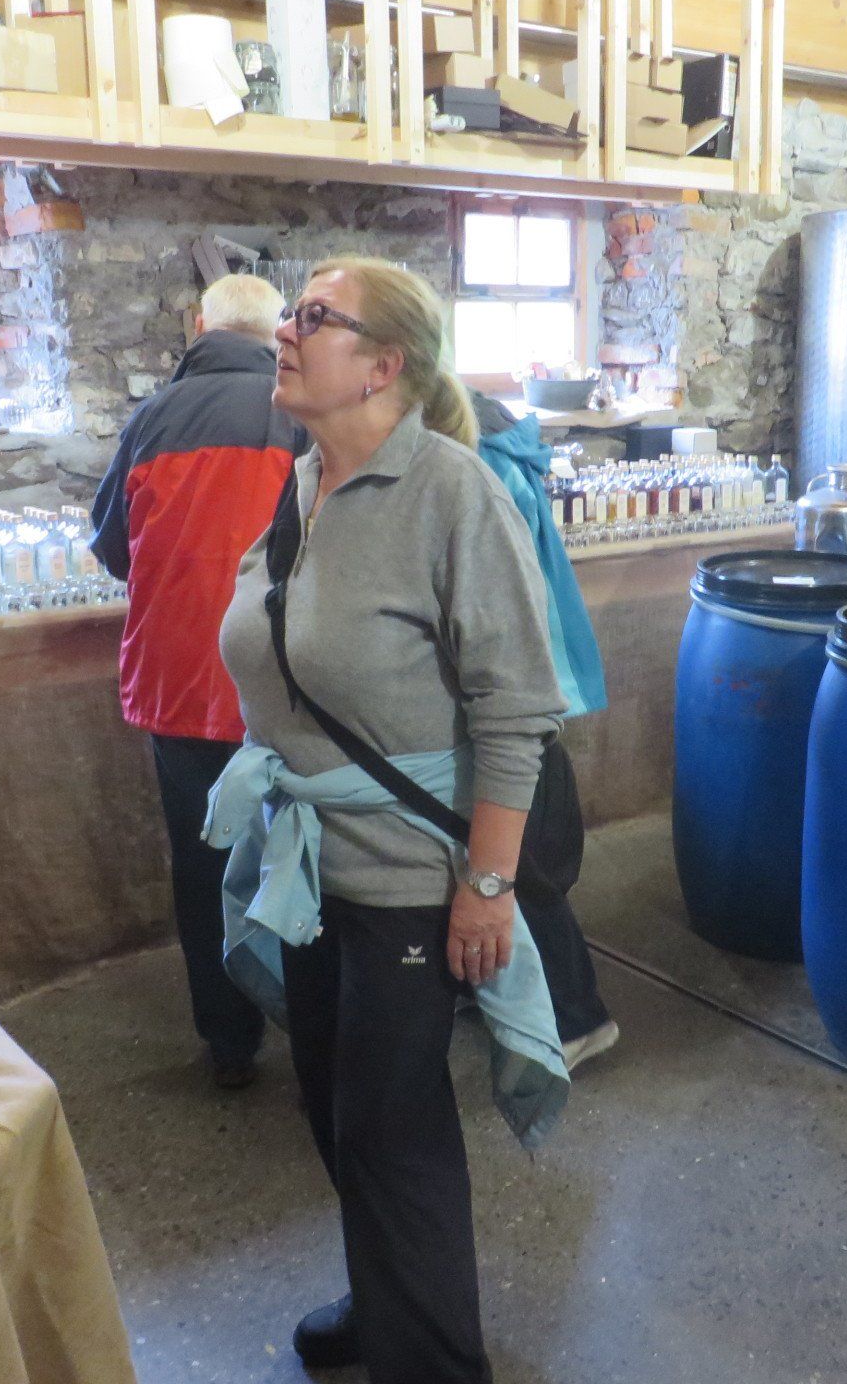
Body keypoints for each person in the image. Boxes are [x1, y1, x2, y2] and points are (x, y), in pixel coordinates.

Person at [208, 257, 568, 1383]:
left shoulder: (452, 493)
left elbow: (517, 708)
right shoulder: (304, 483)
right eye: (290, 311)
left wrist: (489, 885)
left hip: (411, 874)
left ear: (382, 365)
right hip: (310, 867)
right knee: (334, 1105)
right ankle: (385, 1300)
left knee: (393, 1128)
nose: (286, 329)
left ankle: (436, 1361)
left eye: (316, 317)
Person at [89, 273, 300, 1090]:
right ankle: (316, 1029)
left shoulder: (152, 418)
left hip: (180, 678)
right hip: (287, 676)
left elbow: (114, 550)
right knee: (305, 851)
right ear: (277, 330)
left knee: (205, 860)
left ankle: (229, 1042)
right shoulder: (303, 409)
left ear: (200, 327)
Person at [471, 388, 619, 1068]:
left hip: (513, 691)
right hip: (534, 682)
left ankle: (576, 1020)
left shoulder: (478, 465)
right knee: (525, 862)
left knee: (521, 870)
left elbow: (497, 598)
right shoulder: (498, 450)